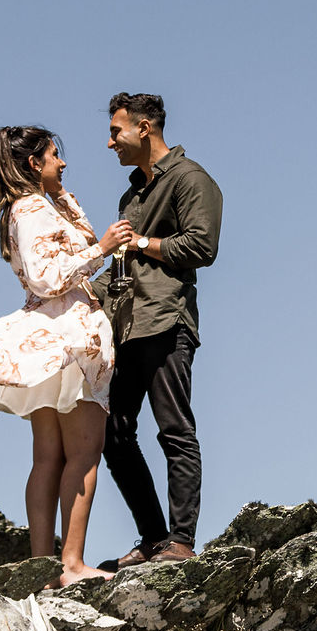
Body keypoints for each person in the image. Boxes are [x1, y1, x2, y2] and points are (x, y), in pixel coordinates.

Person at [0, 125, 134, 586]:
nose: (62, 163)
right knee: (83, 454)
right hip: (70, 337)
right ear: (33, 164)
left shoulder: (26, 207)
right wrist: (101, 248)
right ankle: (71, 563)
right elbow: (47, 278)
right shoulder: (32, 208)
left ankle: (42, 565)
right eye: (55, 156)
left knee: (48, 456)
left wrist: (64, 198)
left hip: (47, 338)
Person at [96, 92, 223, 567]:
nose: (110, 142)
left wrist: (144, 241)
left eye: (116, 132)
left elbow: (202, 245)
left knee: (174, 430)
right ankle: (152, 537)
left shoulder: (192, 180)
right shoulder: (132, 194)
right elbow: (120, 262)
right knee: (114, 433)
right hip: (126, 327)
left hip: (168, 321)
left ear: (144, 128)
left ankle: (181, 541)